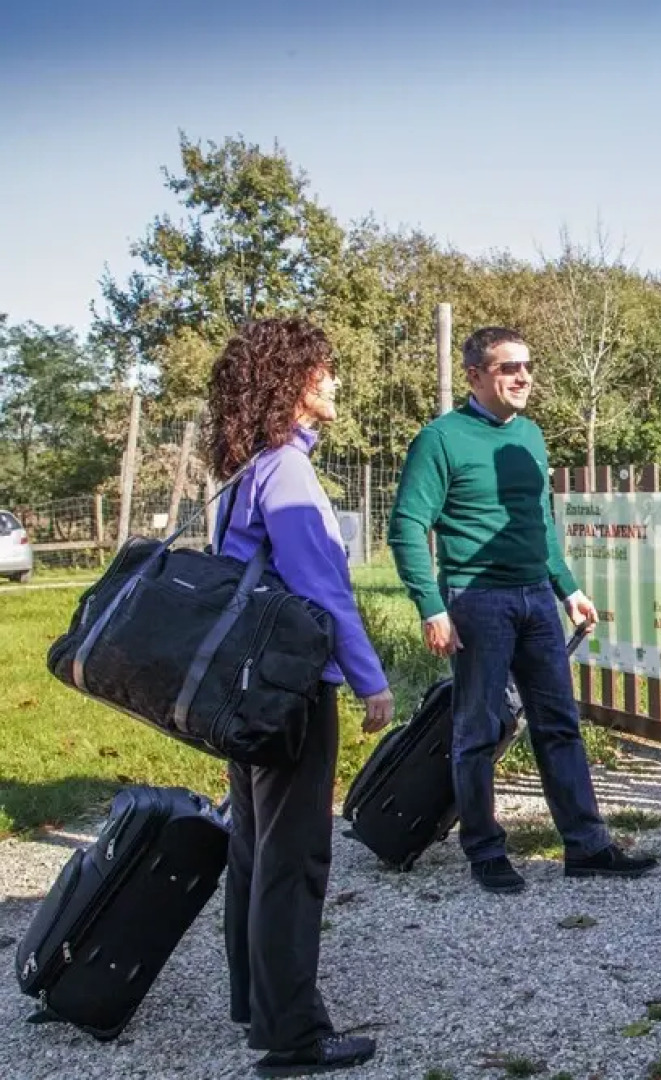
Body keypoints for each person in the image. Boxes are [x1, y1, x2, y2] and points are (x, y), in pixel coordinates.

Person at [387, 326, 656, 894]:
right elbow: (408, 526)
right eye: (508, 367)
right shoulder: (440, 439)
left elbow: (539, 523)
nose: (523, 376)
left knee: (560, 725)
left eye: (527, 366)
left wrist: (568, 588)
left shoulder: (529, 437)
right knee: (478, 730)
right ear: (475, 376)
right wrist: (431, 606)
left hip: (537, 598)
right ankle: (485, 850)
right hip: (476, 600)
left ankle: (587, 846)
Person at [207, 317, 394, 1076]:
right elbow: (324, 592)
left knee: (255, 850)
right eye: (326, 371)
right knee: (294, 859)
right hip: (289, 691)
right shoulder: (285, 471)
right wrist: (370, 679)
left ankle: (260, 1005)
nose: (337, 383)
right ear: (295, 382)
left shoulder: (247, 469)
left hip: (247, 690)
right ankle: (294, 1037)